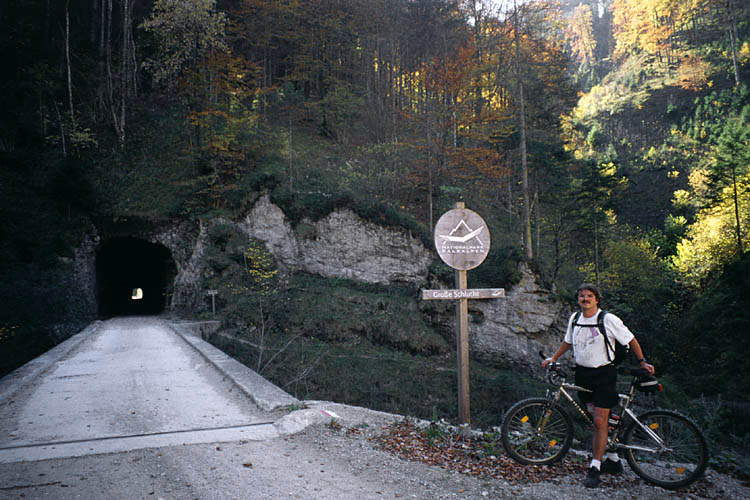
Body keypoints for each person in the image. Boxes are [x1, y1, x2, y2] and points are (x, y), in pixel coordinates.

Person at [542, 284, 655, 488]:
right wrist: (554, 358)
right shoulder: (575, 318)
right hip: (583, 374)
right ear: (578, 299)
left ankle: (595, 468)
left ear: (597, 299)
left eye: (589, 296)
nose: (585, 299)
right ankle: (612, 458)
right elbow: (568, 342)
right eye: (582, 296)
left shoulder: (608, 319)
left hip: (604, 374)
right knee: (594, 419)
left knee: (600, 421)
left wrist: (642, 362)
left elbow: (631, 339)